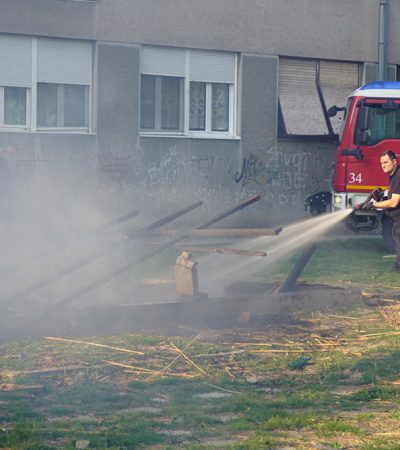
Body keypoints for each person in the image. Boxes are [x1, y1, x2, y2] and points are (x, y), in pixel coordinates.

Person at [373, 150, 400, 271]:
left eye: (385, 162)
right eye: (381, 163)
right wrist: (383, 198)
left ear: (394, 161)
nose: (383, 165)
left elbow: (394, 202)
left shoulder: (398, 177)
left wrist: (375, 205)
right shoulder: (394, 175)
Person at [0, 145, 16, 230]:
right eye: (8, 153)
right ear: (3, 152)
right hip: (2, 194)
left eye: (12, 153)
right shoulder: (2, 163)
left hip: (4, 193)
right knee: (6, 212)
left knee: (6, 211)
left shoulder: (5, 163)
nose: (10, 155)